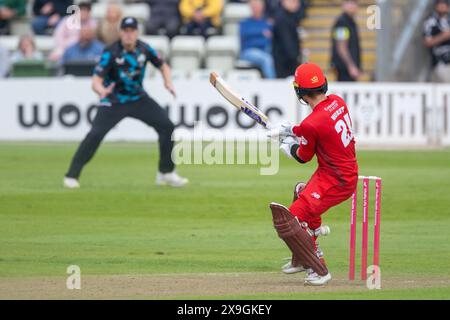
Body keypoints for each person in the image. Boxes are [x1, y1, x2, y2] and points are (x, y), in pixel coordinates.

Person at [64, 17, 188, 189]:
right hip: (113, 100)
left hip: (138, 98)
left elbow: (163, 65)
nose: (129, 35)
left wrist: (168, 82)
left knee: (167, 126)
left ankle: (166, 173)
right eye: (126, 31)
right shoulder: (111, 52)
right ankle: (71, 175)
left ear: (137, 32)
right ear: (120, 32)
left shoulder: (144, 49)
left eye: (132, 31)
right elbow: (96, 80)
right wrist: (101, 91)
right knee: (95, 135)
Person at [268, 63, 358, 286]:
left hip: (338, 180)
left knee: (290, 220)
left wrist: (285, 145)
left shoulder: (312, 123)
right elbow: (319, 128)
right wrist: (291, 130)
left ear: (300, 92)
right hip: (333, 173)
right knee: (301, 193)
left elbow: (302, 156)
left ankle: (319, 269)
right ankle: (300, 258)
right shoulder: (337, 101)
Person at [239, 0, 275, 79]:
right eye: (254, 5)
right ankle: (272, 82)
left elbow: (271, 38)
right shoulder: (245, 23)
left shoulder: (267, 22)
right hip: (248, 51)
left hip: (266, 50)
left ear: (263, 6)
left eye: (258, 5)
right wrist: (262, 33)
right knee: (266, 59)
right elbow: (245, 36)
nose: (256, 7)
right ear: (250, 7)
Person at [331, 0, 361, 82]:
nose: (352, 6)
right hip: (344, 69)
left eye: (354, 3)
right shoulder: (342, 22)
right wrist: (351, 66)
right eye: (349, 3)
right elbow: (341, 47)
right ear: (343, 4)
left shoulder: (351, 22)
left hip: (349, 69)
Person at [272, 0, 301, 78]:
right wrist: (294, 57)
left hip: (287, 59)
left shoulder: (291, 17)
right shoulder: (282, 18)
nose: (297, 4)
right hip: (284, 61)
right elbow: (286, 41)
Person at [423, 0, 450, 83]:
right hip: (441, 61)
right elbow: (427, 42)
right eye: (440, 4)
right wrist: (443, 36)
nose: (442, 6)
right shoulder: (431, 22)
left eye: (444, 4)